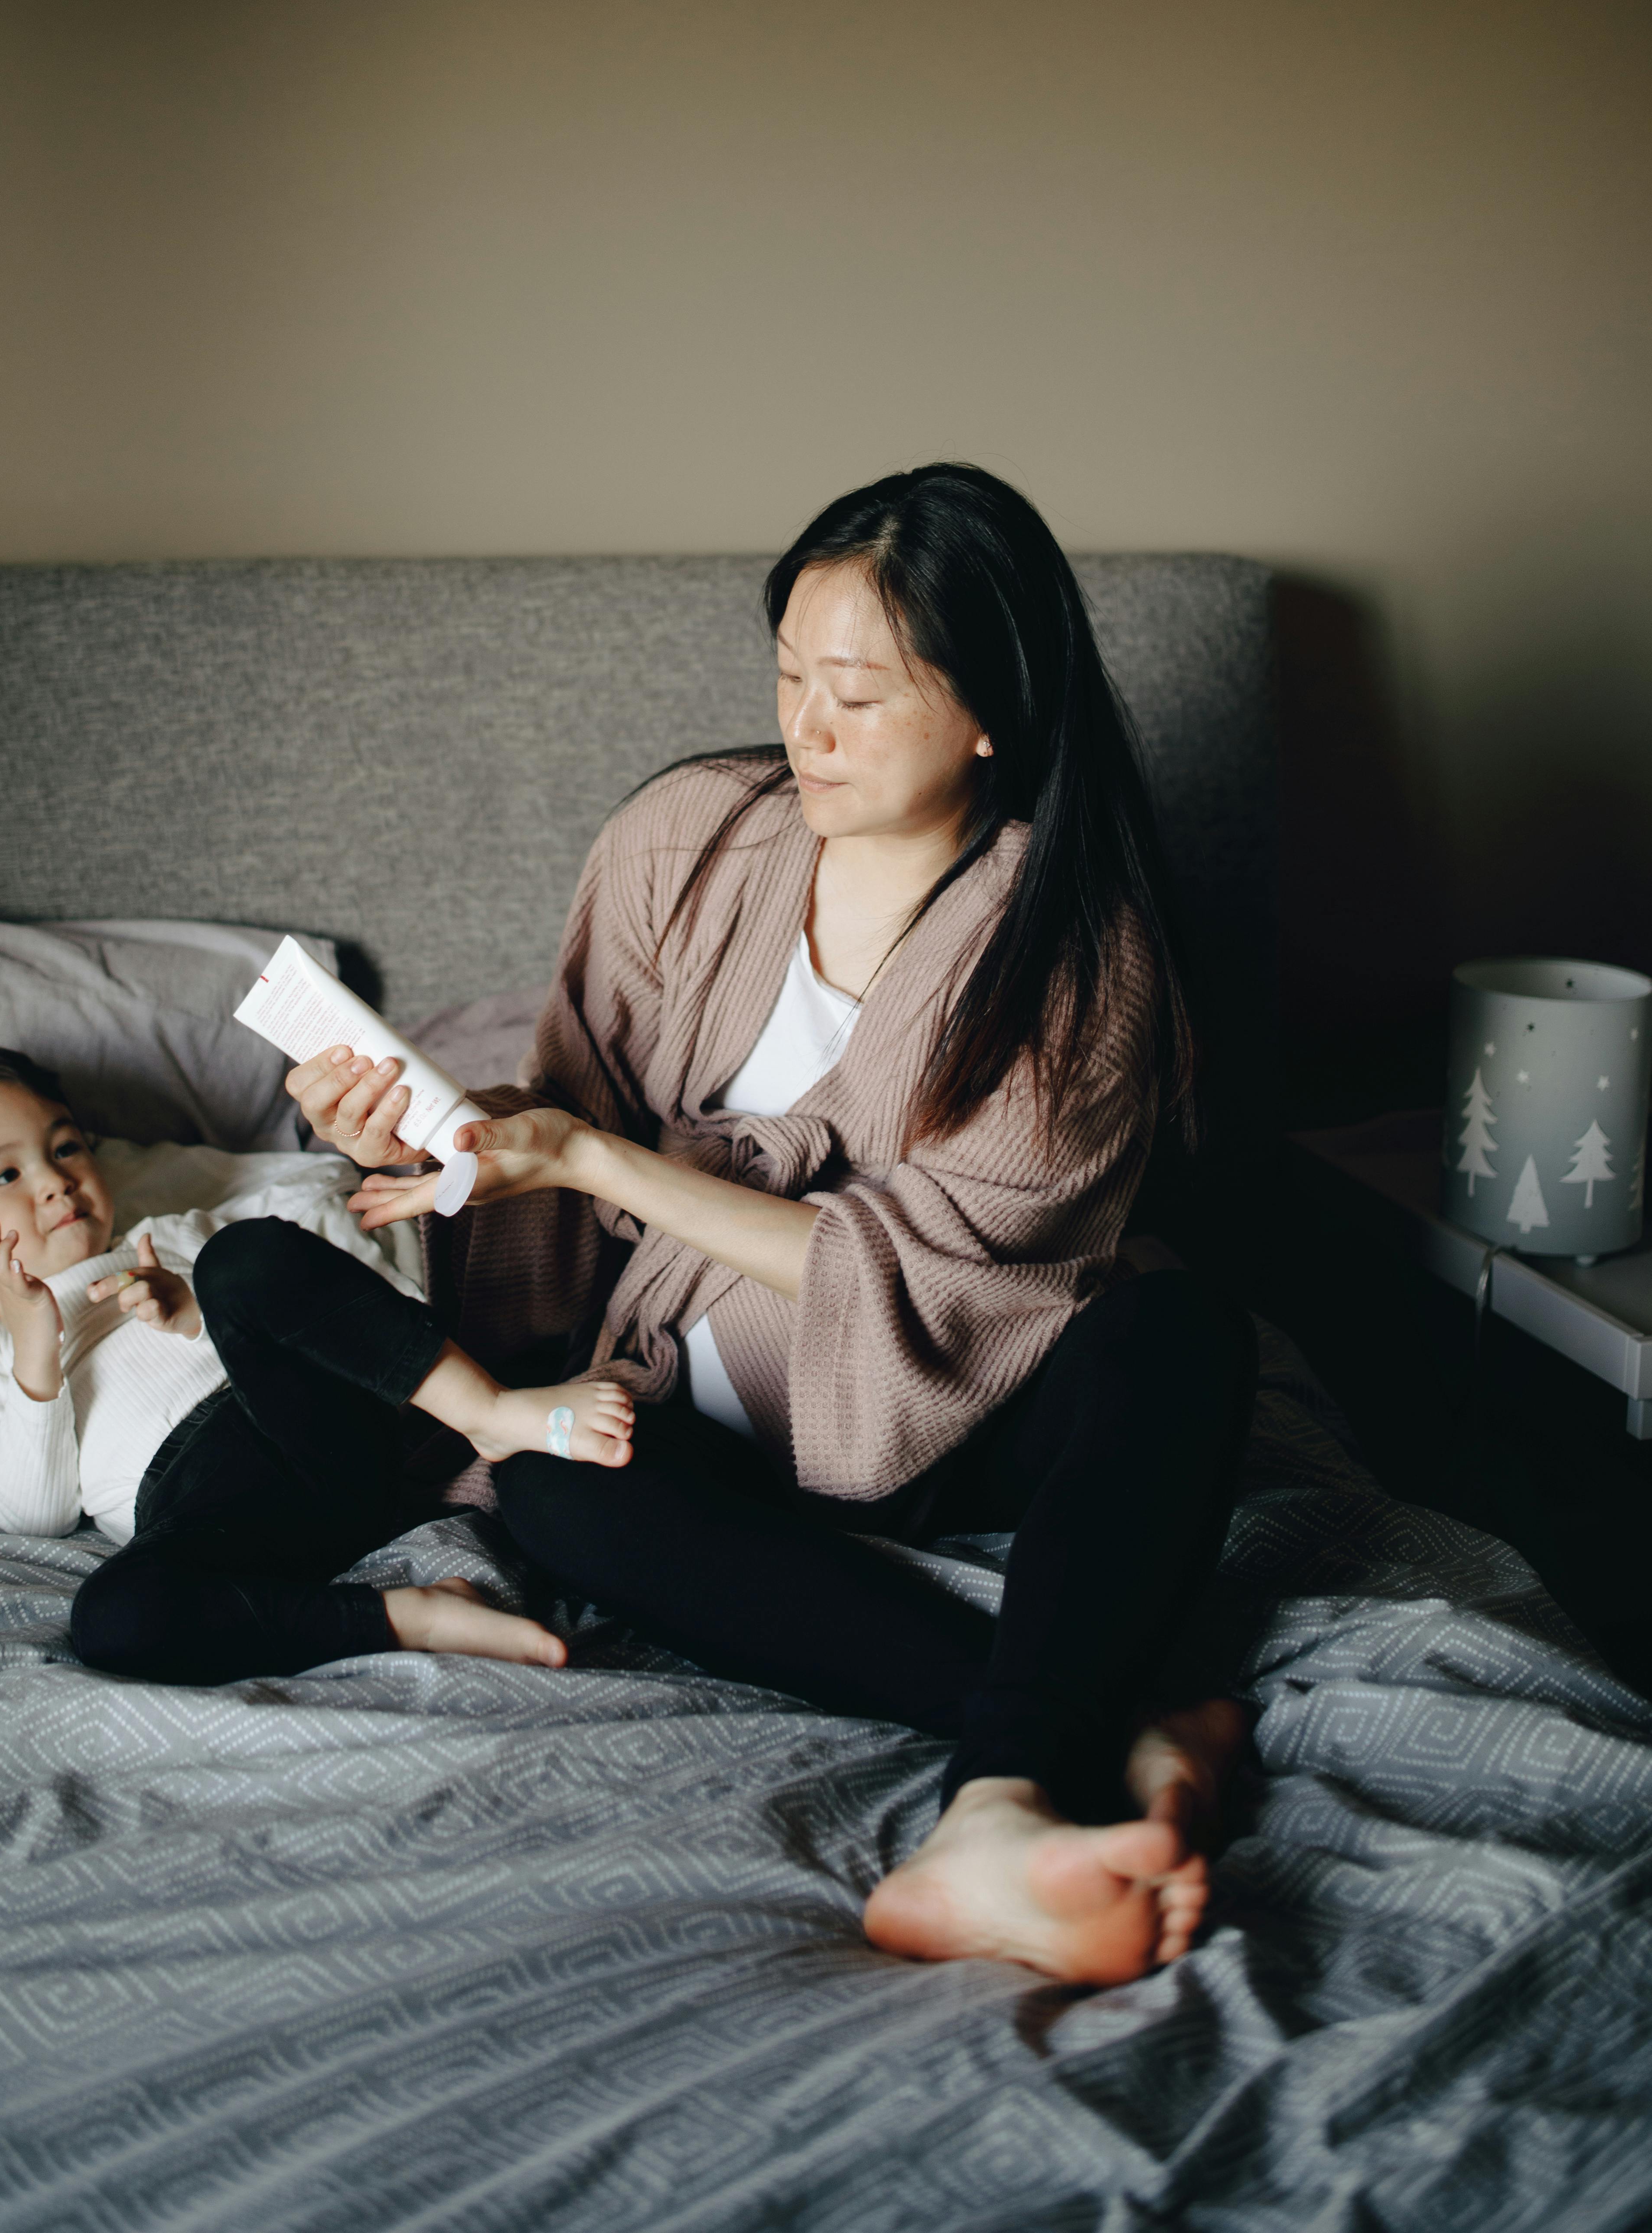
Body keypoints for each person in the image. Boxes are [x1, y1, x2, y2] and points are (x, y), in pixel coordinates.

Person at [292, 463, 1258, 1986]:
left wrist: (601, 1163)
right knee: (552, 1487)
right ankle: (1089, 1735)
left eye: (857, 696)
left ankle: (992, 1808)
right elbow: (565, 1094)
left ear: (990, 710)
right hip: (686, 1404)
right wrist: (424, 1122)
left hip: (949, 1403)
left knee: (1182, 1334)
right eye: (789, 677)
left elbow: (946, 1284)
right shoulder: (687, 839)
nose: (804, 730)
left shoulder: (1072, 963)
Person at [0, 1044, 632, 1681]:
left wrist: (190, 1310)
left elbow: (341, 1309)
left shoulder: (180, 1237)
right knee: (113, 1619)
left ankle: (488, 1411)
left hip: (311, 1425)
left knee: (244, 1259)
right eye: (5, 1175)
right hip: (217, 1515)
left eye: (66, 1146)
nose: (53, 1181)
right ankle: (407, 1616)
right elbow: (30, 1517)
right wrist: (37, 1341)